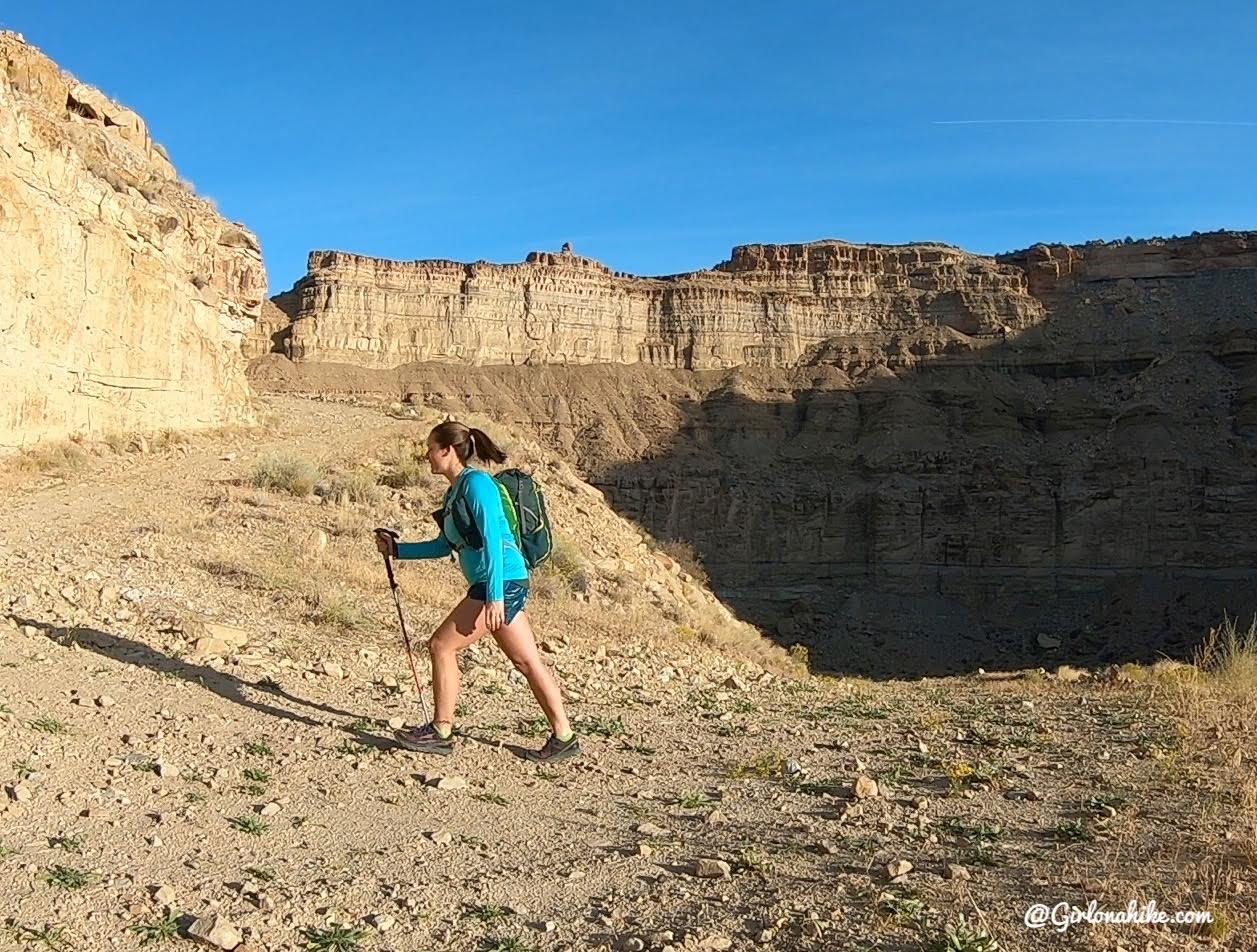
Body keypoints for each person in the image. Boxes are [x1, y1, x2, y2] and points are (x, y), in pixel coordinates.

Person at [374, 420, 579, 763]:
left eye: (430, 448)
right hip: (495, 584)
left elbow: (494, 542)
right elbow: (444, 545)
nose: (426, 455)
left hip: (499, 583)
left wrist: (496, 596)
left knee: (441, 645)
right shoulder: (454, 492)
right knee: (526, 661)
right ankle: (564, 737)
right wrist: (398, 551)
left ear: (447, 450)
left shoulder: (477, 484)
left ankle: (440, 730)